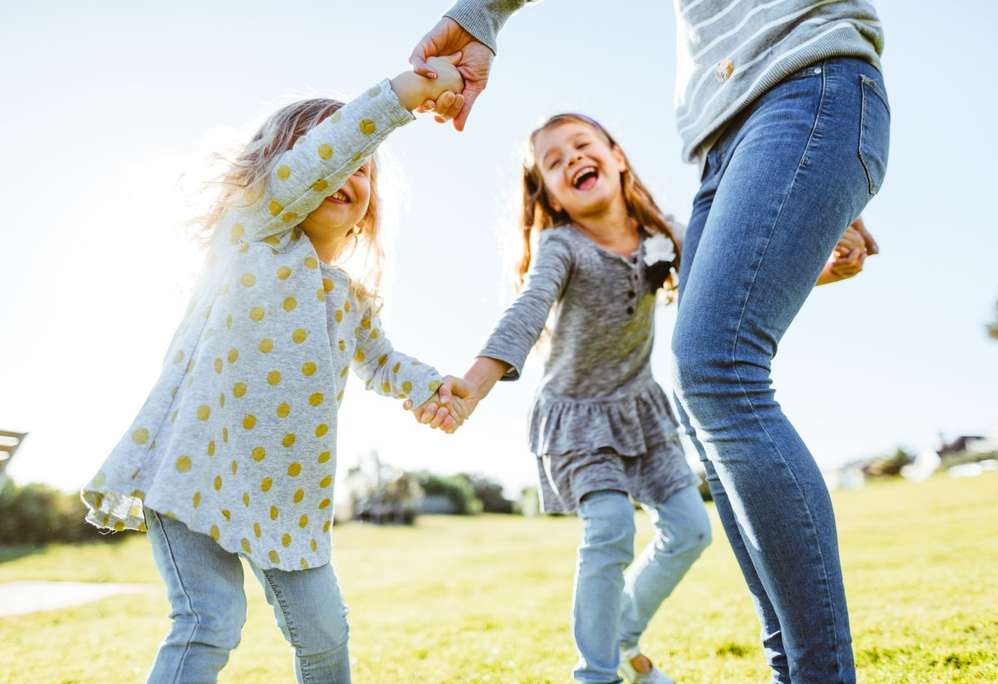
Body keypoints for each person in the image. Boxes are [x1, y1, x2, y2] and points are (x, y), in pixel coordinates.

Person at [409, 2, 890, 681]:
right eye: (554, 162)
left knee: (692, 520)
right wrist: (476, 382)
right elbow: (527, 312)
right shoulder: (561, 247)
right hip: (580, 417)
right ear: (548, 195)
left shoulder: (661, 237)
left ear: (616, 158)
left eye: (584, 145)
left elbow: (742, 279)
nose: (573, 158)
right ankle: (597, 671)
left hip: (642, 409)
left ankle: (625, 634)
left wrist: (814, 242)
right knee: (612, 525)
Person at [81, 57, 467, 683]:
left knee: (325, 633)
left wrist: (431, 389)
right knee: (209, 620)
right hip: (195, 466)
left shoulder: (349, 298)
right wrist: (406, 94)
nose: (345, 169)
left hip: (287, 498)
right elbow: (318, 164)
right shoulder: (251, 234)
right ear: (279, 172)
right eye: (331, 154)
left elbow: (382, 362)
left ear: (370, 204)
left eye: (362, 167)